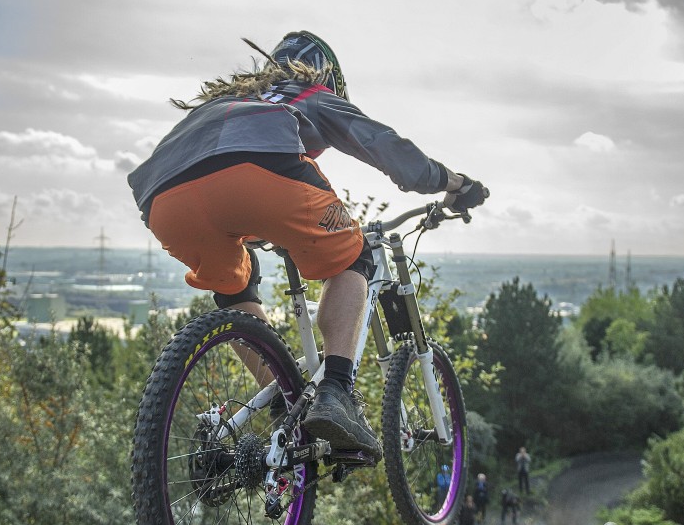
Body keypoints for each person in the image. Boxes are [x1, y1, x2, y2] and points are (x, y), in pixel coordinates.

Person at [127, 31, 488, 461]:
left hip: (163, 198)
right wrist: (455, 183)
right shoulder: (310, 93)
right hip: (260, 170)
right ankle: (336, 392)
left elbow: (213, 171)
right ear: (326, 76)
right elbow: (385, 147)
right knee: (356, 256)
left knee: (236, 286)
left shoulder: (228, 102)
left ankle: (282, 400)